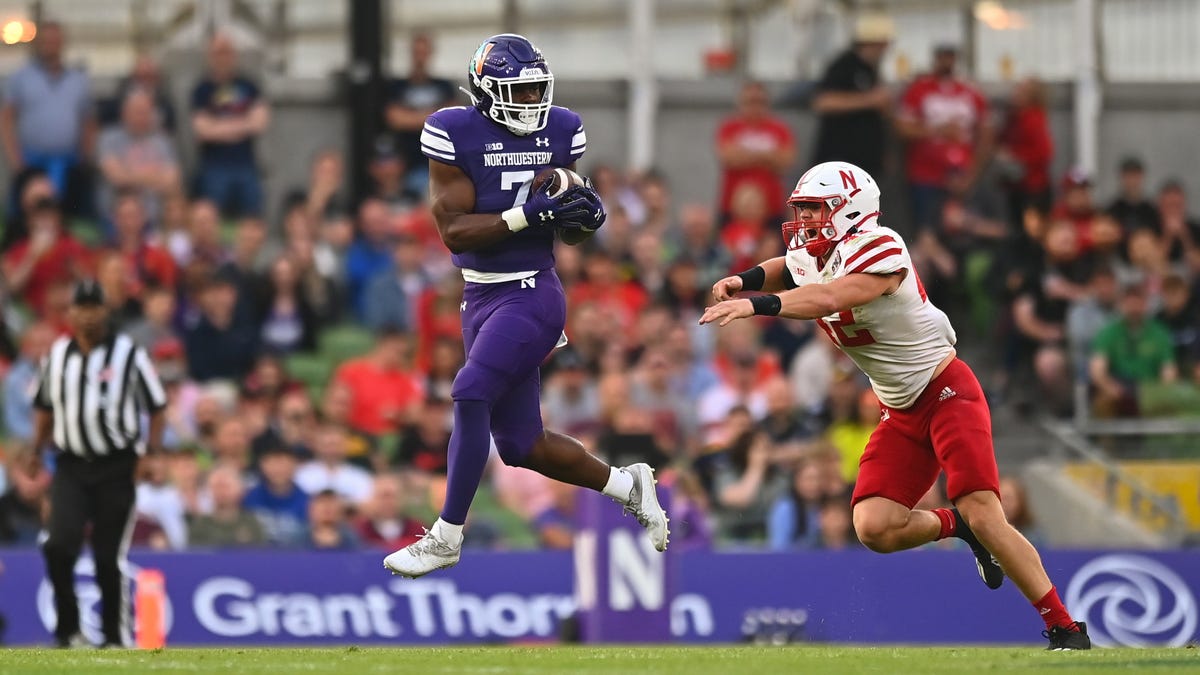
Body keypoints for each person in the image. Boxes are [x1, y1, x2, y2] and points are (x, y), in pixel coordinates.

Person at [700, 160, 1090, 650]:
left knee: (986, 510)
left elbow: (832, 294)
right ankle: (957, 526)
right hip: (899, 407)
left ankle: (1064, 627)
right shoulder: (812, 249)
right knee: (875, 527)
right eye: (801, 212)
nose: (804, 223)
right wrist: (747, 279)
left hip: (945, 389)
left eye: (816, 210)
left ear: (851, 210)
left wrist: (757, 306)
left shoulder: (882, 247)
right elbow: (792, 267)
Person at [383, 34, 667, 578]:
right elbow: (454, 232)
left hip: (533, 291)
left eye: (539, 88)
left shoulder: (561, 130)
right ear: (485, 91)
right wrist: (527, 216)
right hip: (480, 293)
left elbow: (571, 234)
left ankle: (446, 535)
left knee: (469, 391)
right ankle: (626, 484)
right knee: (521, 445)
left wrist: (579, 218)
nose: (533, 100)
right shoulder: (453, 131)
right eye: (521, 88)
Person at [30, 279, 167, 647]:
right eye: (81, 307)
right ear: (70, 313)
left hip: (117, 466)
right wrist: (34, 449)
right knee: (59, 545)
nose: (88, 315)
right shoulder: (56, 355)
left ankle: (113, 637)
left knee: (108, 556)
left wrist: (151, 452)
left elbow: (156, 405)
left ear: (105, 311)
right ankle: (68, 630)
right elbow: (44, 407)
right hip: (72, 464)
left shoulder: (129, 353)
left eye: (94, 307)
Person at [0, 21, 96, 214]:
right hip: (31, 164)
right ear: (38, 44)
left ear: (63, 43)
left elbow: (89, 122)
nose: (51, 44)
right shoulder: (20, 79)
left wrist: (84, 157)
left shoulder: (78, 81)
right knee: (27, 220)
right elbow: (6, 119)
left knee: (70, 218)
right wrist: (16, 161)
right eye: (46, 40)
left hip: (69, 164)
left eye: (55, 40)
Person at [896, 45, 992, 233]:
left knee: (963, 229)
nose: (946, 61)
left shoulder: (970, 92)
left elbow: (986, 135)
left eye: (950, 56)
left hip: (962, 173)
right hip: (926, 175)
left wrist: (972, 174)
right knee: (926, 231)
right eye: (943, 56)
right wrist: (938, 131)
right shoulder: (919, 90)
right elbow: (903, 128)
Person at [190, 33, 270, 217]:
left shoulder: (249, 86)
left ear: (234, 55)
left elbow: (260, 124)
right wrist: (243, 124)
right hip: (214, 166)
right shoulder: (202, 89)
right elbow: (203, 130)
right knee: (212, 217)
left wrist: (219, 126)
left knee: (253, 217)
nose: (223, 57)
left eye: (227, 52)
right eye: (218, 53)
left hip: (247, 164)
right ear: (210, 56)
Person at [809, 13, 893, 179]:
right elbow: (823, 102)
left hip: (866, 162)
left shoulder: (872, 70)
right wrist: (870, 100)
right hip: (840, 159)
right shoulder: (844, 65)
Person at [385, 32, 457, 195]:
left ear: (430, 54)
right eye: (417, 52)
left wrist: (412, 117)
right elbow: (396, 119)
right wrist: (434, 115)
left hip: (438, 161)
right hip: (407, 160)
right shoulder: (397, 86)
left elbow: (452, 121)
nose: (420, 57)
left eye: (423, 52)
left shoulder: (444, 86)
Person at [715, 81, 795, 223]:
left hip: (772, 209)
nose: (755, 107)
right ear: (740, 103)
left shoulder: (780, 129)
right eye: (750, 102)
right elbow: (728, 158)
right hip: (733, 209)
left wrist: (745, 154)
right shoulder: (729, 127)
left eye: (760, 102)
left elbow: (785, 162)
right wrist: (768, 156)